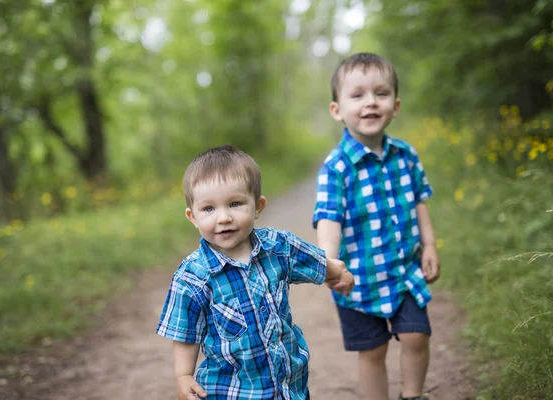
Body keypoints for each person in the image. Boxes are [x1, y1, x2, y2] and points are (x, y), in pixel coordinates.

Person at [157, 144, 355, 400]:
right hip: (231, 390)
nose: (224, 217)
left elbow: (317, 262)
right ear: (192, 216)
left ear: (258, 206)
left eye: (235, 203)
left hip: (288, 384)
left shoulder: (278, 247)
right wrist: (183, 376)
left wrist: (339, 274)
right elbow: (185, 333)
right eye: (209, 209)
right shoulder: (192, 277)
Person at [313, 52, 441, 400]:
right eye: (357, 95)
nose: (370, 102)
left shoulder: (406, 155)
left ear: (395, 106)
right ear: (337, 110)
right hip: (358, 282)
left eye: (380, 93)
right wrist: (329, 262)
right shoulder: (336, 168)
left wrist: (429, 246)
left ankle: (413, 395)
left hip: (403, 273)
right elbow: (328, 218)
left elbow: (419, 202)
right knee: (373, 352)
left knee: (417, 335)